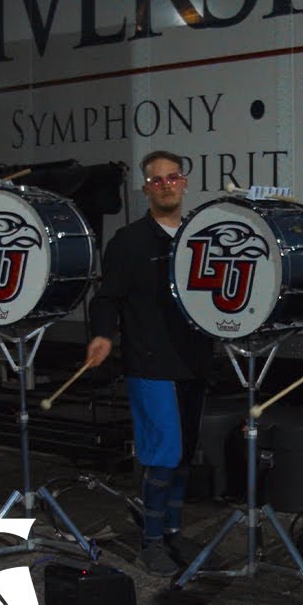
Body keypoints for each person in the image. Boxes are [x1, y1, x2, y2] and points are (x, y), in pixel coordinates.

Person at [85, 150, 212, 577]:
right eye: (156, 180)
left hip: (194, 359)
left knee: (183, 456)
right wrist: (102, 335)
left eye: (172, 177)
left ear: (185, 181)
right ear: (146, 189)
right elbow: (107, 298)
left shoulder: (199, 236)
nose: (166, 185)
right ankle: (152, 541)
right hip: (151, 362)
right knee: (163, 454)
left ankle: (173, 530)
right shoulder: (131, 241)